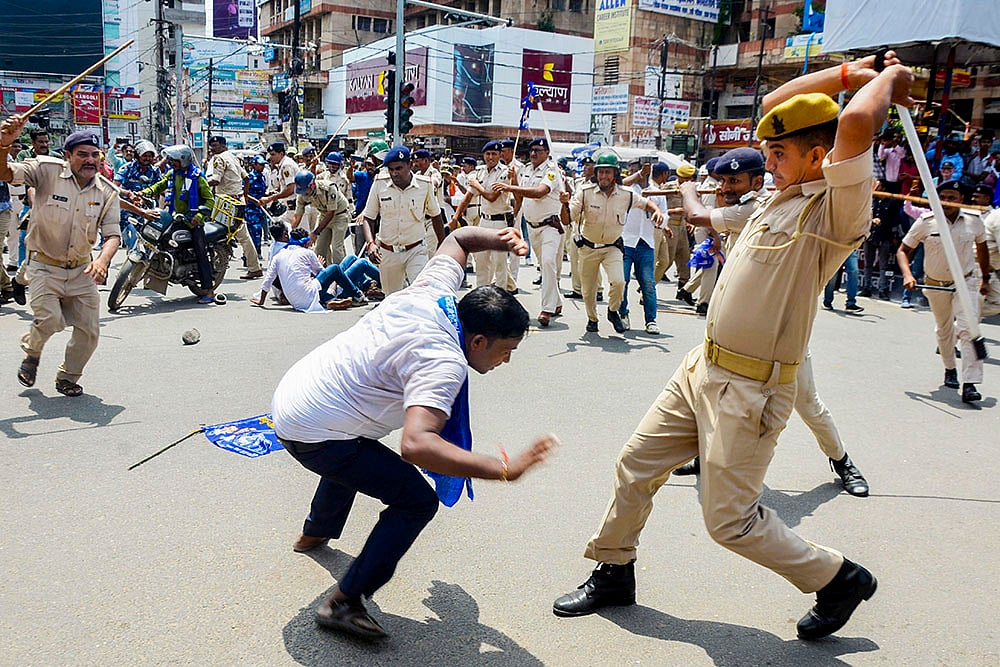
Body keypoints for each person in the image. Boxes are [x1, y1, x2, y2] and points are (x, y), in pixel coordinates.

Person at [552, 52, 912, 640]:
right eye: (767, 154)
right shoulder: (780, 192)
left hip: (753, 388)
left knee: (730, 523)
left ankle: (837, 577)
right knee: (636, 465)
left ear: (818, 157)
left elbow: (852, 128)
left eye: (779, 154)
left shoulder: (834, 208)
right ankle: (613, 569)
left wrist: (888, 83)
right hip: (702, 368)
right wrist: (854, 72)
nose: (766, 164)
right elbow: (775, 105)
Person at [271, 225, 553, 639]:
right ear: (477, 340)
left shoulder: (431, 294)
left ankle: (316, 530)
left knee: (358, 447)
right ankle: (344, 601)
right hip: (315, 430)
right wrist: (501, 469)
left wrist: (499, 237)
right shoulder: (442, 361)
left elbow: (458, 239)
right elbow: (418, 445)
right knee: (416, 501)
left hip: (296, 395)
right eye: (505, 351)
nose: (506, 361)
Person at [0, 122, 121, 397]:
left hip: (81, 270)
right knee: (51, 319)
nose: (90, 160)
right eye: (82, 154)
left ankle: (68, 376)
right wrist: (4, 143)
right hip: (44, 265)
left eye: (94, 154)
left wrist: (101, 261)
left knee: (90, 332)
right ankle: (32, 352)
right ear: (68, 155)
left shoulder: (107, 192)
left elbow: (113, 235)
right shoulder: (46, 170)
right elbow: (5, 172)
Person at [897, 180, 990, 404]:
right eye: (942, 197)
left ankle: (970, 383)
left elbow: (983, 250)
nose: (946, 202)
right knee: (944, 329)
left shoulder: (974, 221)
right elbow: (903, 250)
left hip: (965, 282)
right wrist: (908, 275)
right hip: (935, 284)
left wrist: (985, 279)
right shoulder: (926, 221)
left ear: (962, 200)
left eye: (952, 197)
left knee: (969, 328)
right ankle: (950, 368)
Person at [569, 151, 663, 333]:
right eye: (601, 172)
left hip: (612, 247)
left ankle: (613, 311)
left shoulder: (626, 195)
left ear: (615, 174)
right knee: (588, 292)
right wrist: (564, 204)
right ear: (596, 174)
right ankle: (592, 319)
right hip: (588, 248)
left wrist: (656, 211)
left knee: (619, 282)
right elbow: (567, 218)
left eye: (608, 172)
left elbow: (646, 204)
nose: (603, 176)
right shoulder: (585, 193)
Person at [131, 145, 217, 304]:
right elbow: (160, 186)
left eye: (174, 160)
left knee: (200, 253)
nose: (171, 162)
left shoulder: (197, 176)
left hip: (192, 222)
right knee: (159, 241)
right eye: (170, 159)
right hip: (174, 217)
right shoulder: (172, 174)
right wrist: (145, 193)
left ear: (184, 160)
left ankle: (209, 290)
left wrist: (198, 216)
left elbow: (210, 200)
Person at [493, 138, 563, 327]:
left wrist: (511, 186)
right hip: (532, 226)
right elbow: (520, 197)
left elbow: (540, 192)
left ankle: (546, 309)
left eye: (538, 150)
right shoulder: (526, 170)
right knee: (544, 264)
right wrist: (514, 180)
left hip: (550, 226)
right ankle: (556, 302)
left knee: (548, 262)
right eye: (531, 150)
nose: (533, 154)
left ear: (547, 153)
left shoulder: (551, 171)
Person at [359, 146, 445, 295]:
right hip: (388, 252)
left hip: (416, 250)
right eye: (391, 169)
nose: (394, 173)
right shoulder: (380, 184)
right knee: (391, 298)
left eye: (398, 168)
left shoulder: (425, 185)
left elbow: (436, 216)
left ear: (410, 165)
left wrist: (443, 248)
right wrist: (371, 244)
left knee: (421, 293)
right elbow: (368, 218)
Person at [249, 226, 377, 312]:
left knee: (351, 258)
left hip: (297, 301)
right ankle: (358, 295)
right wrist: (322, 268)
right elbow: (324, 274)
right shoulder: (307, 253)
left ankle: (368, 286)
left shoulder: (279, 255)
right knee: (359, 264)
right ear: (305, 242)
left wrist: (261, 300)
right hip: (314, 293)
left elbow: (268, 280)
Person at [452, 141, 513, 288]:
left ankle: (500, 298)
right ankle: (481, 294)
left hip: (500, 222)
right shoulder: (480, 172)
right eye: (487, 154)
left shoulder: (505, 172)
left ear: (500, 155)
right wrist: (456, 216)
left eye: (494, 154)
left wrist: (478, 186)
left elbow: (492, 197)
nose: (490, 157)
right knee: (481, 261)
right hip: (484, 221)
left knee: (500, 264)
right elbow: (468, 196)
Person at [619, 160, 666, 334]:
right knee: (622, 281)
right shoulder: (626, 191)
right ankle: (623, 314)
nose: (640, 172)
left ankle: (651, 320)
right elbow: (620, 184)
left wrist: (659, 218)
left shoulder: (658, 193)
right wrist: (638, 175)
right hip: (626, 242)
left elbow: (664, 215)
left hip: (646, 242)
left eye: (643, 169)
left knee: (648, 283)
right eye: (635, 170)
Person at [204, 136, 262, 280]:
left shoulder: (219, 159)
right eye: (211, 146)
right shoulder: (232, 157)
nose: (212, 149)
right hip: (237, 200)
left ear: (223, 146)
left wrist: (200, 183)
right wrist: (246, 196)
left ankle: (253, 267)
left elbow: (216, 180)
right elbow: (246, 178)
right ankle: (253, 267)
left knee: (217, 234)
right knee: (238, 235)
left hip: (226, 203)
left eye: (215, 145)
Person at [290, 170, 351, 265]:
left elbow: (331, 213)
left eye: (305, 191)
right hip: (324, 216)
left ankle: (341, 274)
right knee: (320, 248)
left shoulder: (329, 188)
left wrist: (315, 233)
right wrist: (291, 232)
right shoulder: (302, 194)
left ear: (312, 185)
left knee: (336, 247)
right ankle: (322, 273)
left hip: (339, 216)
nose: (304, 194)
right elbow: (298, 215)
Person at [258, 142, 298, 225]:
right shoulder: (283, 164)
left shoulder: (286, 165)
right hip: (290, 207)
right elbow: (285, 187)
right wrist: (275, 193)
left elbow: (291, 189)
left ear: (281, 153)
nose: (271, 157)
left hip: (295, 207)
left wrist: (270, 198)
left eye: (273, 154)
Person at [243, 155, 269, 257]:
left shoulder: (262, 177)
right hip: (251, 210)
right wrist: (255, 201)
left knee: (259, 233)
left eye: (263, 165)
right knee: (253, 233)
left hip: (260, 209)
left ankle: (255, 255)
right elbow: (244, 193)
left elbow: (262, 192)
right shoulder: (250, 177)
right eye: (260, 165)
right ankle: (249, 257)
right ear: (254, 165)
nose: (262, 167)